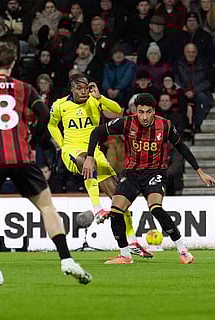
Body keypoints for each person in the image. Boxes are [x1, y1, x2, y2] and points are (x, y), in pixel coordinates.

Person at [0, 41, 91, 287]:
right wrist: (32, 141)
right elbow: (45, 115)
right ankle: (66, 259)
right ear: (12, 63)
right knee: (46, 207)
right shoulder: (24, 88)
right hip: (22, 157)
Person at [82, 93, 215, 264]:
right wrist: (89, 157)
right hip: (132, 174)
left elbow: (181, 147)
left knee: (155, 208)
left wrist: (200, 172)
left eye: (148, 112)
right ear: (136, 111)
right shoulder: (126, 122)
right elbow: (96, 132)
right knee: (116, 212)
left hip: (155, 173)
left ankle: (183, 251)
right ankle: (125, 255)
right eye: (141, 112)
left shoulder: (165, 125)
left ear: (154, 111)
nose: (144, 116)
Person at [48, 73, 153, 260]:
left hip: (94, 151)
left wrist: (100, 97)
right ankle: (97, 209)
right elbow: (52, 125)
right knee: (89, 163)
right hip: (72, 150)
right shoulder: (60, 105)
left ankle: (132, 241)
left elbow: (118, 110)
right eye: (79, 88)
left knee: (119, 196)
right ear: (71, 89)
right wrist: (62, 144)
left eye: (86, 87)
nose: (83, 91)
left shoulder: (94, 101)